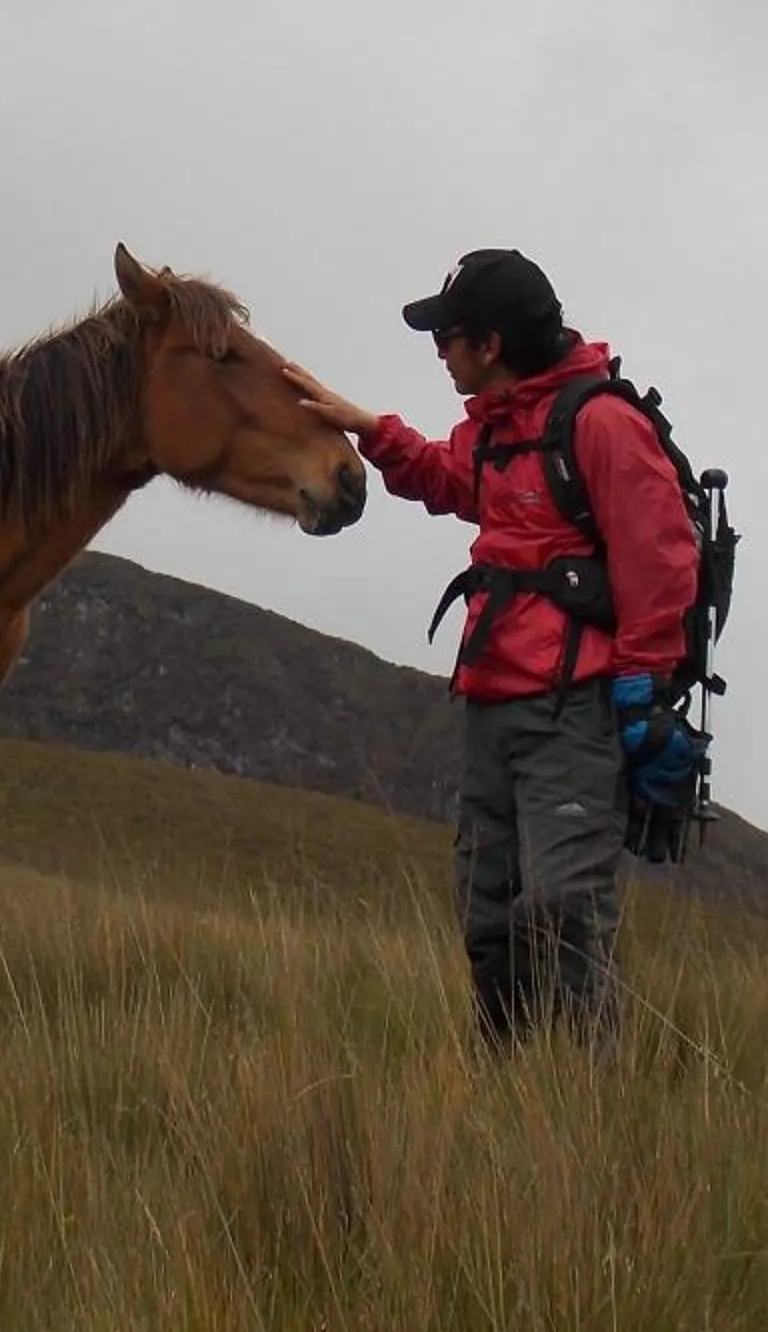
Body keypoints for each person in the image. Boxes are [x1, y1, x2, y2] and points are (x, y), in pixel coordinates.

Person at [288, 249, 700, 1046]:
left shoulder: (601, 425)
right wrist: (369, 428)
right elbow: (451, 481)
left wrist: (640, 689)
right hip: (492, 708)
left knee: (563, 913)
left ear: (493, 344)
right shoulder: (499, 431)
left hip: (575, 714)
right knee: (489, 916)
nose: (440, 352)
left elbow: (663, 558)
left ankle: (585, 1107)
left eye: (449, 338)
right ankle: (509, 1098)